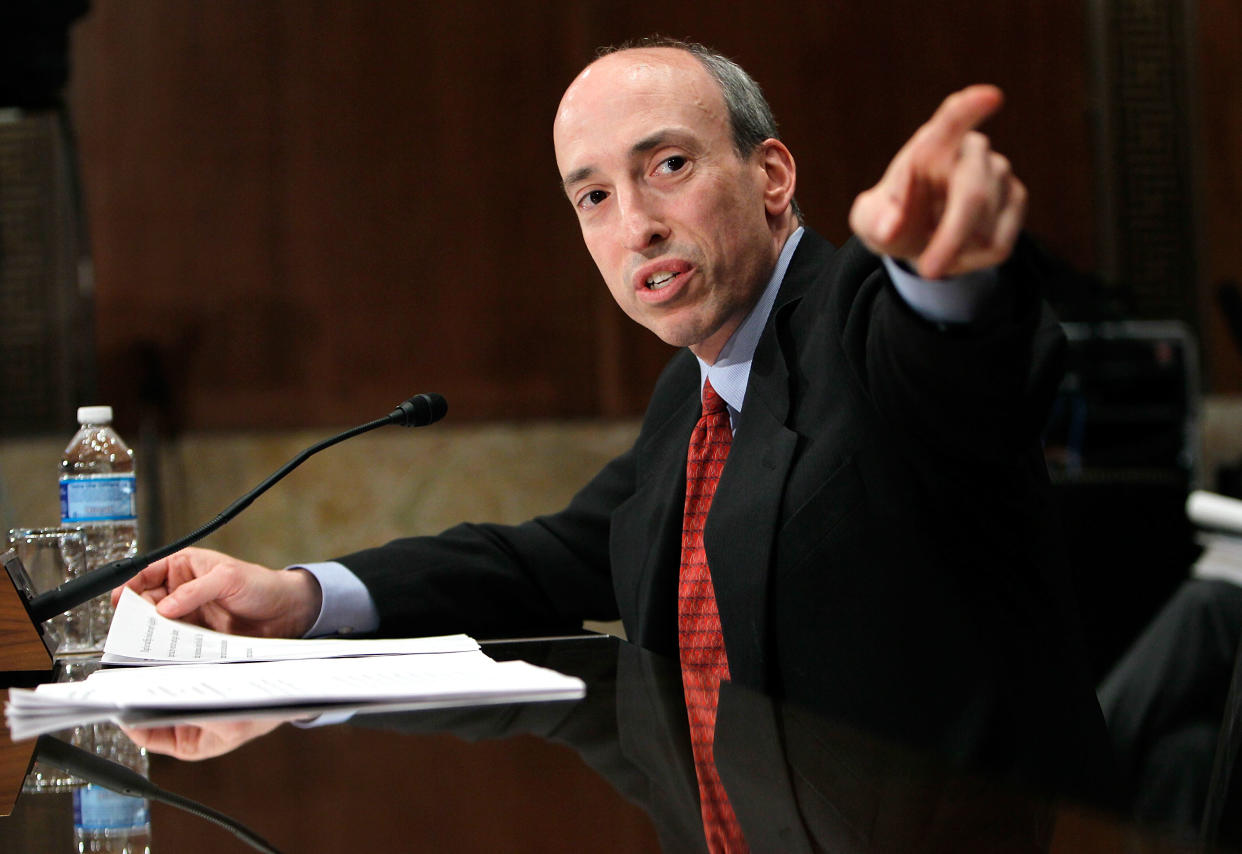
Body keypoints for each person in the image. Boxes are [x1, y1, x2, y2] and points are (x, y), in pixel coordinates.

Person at [116, 38, 1115, 801]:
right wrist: (299, 596)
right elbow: (559, 557)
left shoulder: (860, 312)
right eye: (593, 194)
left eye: (668, 165)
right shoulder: (699, 387)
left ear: (772, 178)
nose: (633, 222)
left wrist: (945, 272)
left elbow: (960, 377)